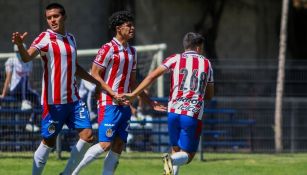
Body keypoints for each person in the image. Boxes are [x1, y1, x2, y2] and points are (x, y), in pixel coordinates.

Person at [11, 3, 102, 175]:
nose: (52, 20)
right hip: (54, 102)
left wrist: (96, 82)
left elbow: (74, 67)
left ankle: (66, 173)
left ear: (64, 17)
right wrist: (20, 45)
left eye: (56, 16)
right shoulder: (44, 38)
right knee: (49, 142)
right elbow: (26, 57)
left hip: (74, 100)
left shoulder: (71, 38)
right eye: (49, 17)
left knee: (88, 136)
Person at [72, 11, 166, 175]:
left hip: (124, 104)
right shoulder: (107, 48)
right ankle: (73, 172)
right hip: (108, 102)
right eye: (128, 25)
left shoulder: (132, 52)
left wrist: (149, 101)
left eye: (132, 25)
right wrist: (112, 93)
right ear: (118, 28)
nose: (132, 28)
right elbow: (95, 73)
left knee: (118, 146)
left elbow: (133, 82)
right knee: (105, 144)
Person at [124, 32, 214, 175]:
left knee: (176, 149)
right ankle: (169, 160)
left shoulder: (174, 58)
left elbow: (152, 76)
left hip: (173, 111)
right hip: (192, 113)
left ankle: (169, 167)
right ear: (198, 48)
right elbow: (209, 94)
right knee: (188, 156)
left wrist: (134, 94)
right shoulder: (206, 63)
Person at [1, 43, 40, 132]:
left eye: (20, 50)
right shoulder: (11, 60)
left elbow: (31, 79)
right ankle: (24, 101)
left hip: (26, 90)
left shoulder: (29, 61)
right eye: (17, 51)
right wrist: (3, 93)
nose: (18, 52)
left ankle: (31, 122)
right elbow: (8, 78)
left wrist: (33, 89)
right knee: (24, 78)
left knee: (38, 98)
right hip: (15, 89)